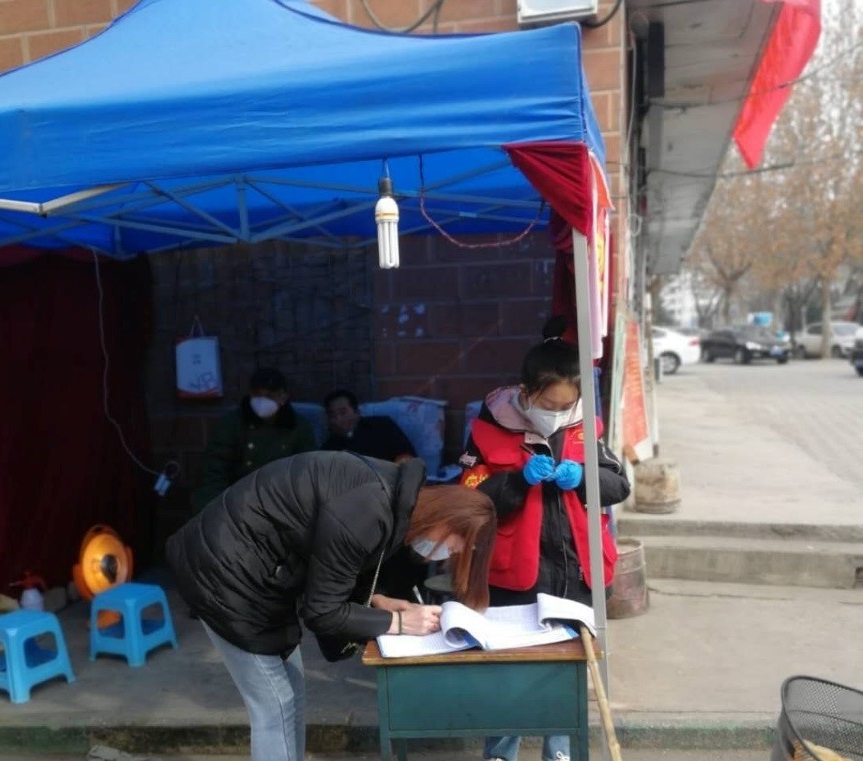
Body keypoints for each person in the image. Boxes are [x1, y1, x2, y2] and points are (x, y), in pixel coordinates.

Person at [166, 451, 496, 761]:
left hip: (263, 572)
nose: (450, 554)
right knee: (274, 705)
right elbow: (322, 612)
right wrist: (398, 623)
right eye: (457, 546)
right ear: (446, 520)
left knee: (292, 694)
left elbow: (338, 565)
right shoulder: (369, 510)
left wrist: (377, 601)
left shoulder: (394, 497)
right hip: (223, 573)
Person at [459, 316, 631, 761]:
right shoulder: (489, 429)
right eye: (549, 403)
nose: (557, 412)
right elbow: (469, 499)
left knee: (565, 676)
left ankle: (560, 754)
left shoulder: (584, 428)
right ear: (526, 392)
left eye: (567, 404)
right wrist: (517, 482)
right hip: (513, 579)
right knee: (511, 676)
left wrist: (585, 477)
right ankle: (500, 754)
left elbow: (619, 485)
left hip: (575, 575)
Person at [192, 367, 316, 511]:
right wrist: (216, 507)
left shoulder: (298, 427)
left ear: (283, 397)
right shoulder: (232, 423)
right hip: (237, 498)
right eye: (257, 395)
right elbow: (214, 468)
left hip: (281, 500)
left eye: (269, 396)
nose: (262, 401)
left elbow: (306, 470)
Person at [321, 389, 416, 463]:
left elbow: (407, 456)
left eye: (343, 413)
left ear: (357, 412)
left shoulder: (383, 426)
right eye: (332, 415)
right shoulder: (328, 449)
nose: (338, 419)